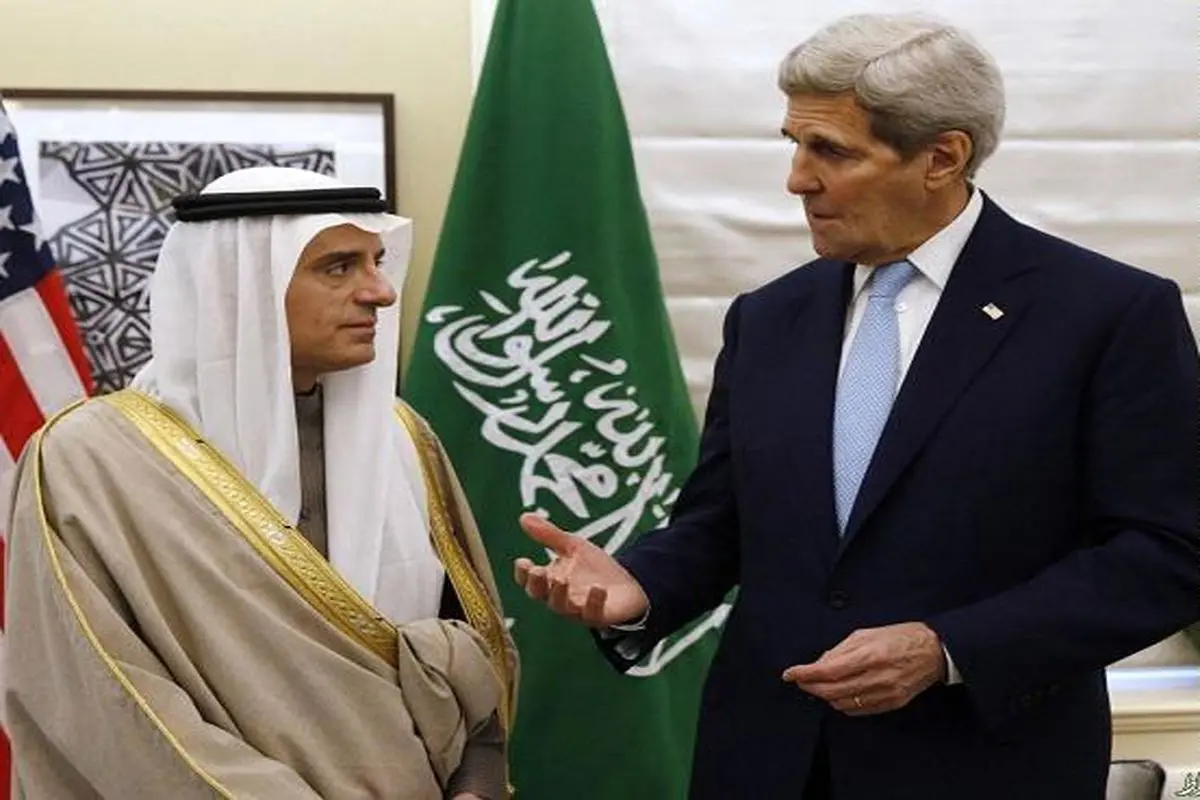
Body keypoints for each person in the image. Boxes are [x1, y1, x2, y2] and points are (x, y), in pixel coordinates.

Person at [512, 12, 1199, 799]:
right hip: (765, 763)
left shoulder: (1105, 314)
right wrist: (640, 585)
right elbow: (724, 521)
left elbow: (1170, 553)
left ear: (942, 156)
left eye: (831, 151)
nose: (797, 179)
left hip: (978, 768)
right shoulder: (768, 318)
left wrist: (948, 647)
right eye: (794, 144)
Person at [5, 167, 517, 799]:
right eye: (339, 268)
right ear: (237, 288)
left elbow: (472, 652)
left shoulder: (404, 440)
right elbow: (102, 702)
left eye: (377, 263)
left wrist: (476, 784)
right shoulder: (91, 460)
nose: (382, 293)